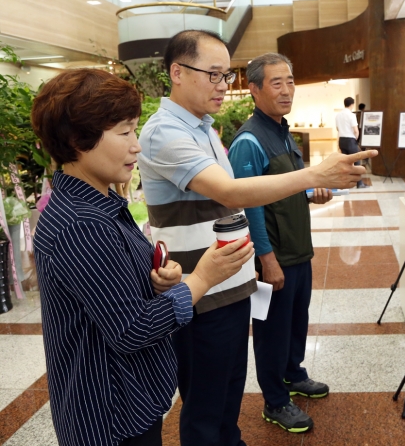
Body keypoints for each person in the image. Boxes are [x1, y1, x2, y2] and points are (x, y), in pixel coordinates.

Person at [137, 30, 376, 446]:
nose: (221, 85)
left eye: (225, 75)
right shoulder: (164, 132)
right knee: (206, 405)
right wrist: (315, 175)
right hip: (200, 290)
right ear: (177, 72)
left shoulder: (204, 128)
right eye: (212, 75)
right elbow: (231, 193)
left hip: (228, 283)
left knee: (228, 393)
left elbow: (233, 202)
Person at [30, 68, 255, 446]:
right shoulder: (80, 223)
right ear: (76, 140)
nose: (136, 146)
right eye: (123, 132)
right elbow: (131, 329)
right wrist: (202, 279)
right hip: (110, 412)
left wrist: (158, 282)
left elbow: (109, 295)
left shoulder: (99, 203)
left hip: (126, 398)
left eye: (134, 130)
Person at [229, 53, 330, 434]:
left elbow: (283, 188)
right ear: (254, 90)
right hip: (274, 255)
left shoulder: (282, 130)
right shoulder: (249, 141)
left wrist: (309, 194)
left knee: (296, 320)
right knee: (271, 329)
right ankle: (274, 401)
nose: (287, 90)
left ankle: (293, 374)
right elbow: (248, 204)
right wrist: (265, 258)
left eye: (290, 81)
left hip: (297, 250)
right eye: (276, 83)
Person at [336, 96, 367, 188]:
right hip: (350, 140)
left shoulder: (338, 115)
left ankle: (346, 182)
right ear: (352, 104)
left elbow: (337, 129)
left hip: (342, 140)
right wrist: (356, 140)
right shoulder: (351, 115)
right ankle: (359, 183)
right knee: (357, 161)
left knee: (346, 162)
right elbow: (356, 130)